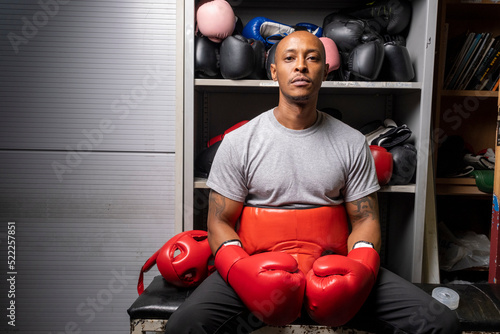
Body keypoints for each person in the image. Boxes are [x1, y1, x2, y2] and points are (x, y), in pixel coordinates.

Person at [165, 31, 460, 334]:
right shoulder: (239, 143)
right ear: (274, 71)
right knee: (184, 327)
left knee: (441, 323)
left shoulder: (351, 142)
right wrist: (240, 270)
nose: (301, 66)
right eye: (289, 58)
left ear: (325, 70)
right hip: (255, 267)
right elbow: (218, 221)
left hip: (334, 268)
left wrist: (362, 268)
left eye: (312, 58)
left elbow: (365, 219)